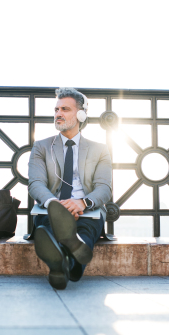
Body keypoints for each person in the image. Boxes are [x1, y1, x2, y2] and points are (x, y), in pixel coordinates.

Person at [28, 87, 112, 290]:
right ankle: (72, 263)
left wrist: (82, 203)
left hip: (87, 209)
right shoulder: (41, 147)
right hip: (51, 207)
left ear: (81, 114)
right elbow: (36, 184)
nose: (58, 114)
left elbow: (104, 188)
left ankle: (61, 263)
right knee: (47, 225)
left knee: (86, 230)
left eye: (65, 109)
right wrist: (54, 204)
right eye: (56, 109)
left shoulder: (100, 149)